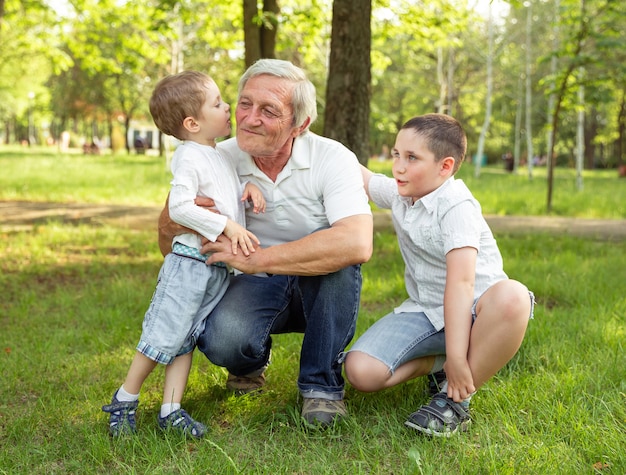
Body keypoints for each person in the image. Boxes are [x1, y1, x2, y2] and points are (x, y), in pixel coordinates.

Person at [158, 59, 373, 426]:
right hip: (255, 284)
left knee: (340, 265)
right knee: (225, 340)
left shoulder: (331, 157)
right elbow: (168, 248)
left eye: (269, 110)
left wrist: (259, 259)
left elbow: (356, 243)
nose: (248, 118)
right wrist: (172, 218)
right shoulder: (216, 157)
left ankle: (321, 385)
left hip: (317, 282)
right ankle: (249, 363)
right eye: (244, 103)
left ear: (299, 124)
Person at [344, 113, 534, 437]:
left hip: (480, 313)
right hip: (427, 311)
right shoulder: (402, 192)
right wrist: (306, 139)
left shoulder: (456, 206)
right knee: (361, 371)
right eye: (396, 155)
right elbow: (360, 175)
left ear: (445, 167)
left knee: (514, 296)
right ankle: (442, 367)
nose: (399, 166)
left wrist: (459, 357)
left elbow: (462, 285)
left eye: (412, 158)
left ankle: (454, 399)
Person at [102, 71, 265, 438]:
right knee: (163, 335)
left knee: (186, 337)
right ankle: (125, 398)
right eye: (219, 103)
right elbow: (179, 208)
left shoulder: (216, 153)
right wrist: (226, 224)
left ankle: (170, 409)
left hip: (212, 268)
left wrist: (248, 186)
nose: (228, 108)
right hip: (188, 265)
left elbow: (221, 188)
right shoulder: (189, 156)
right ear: (192, 123)